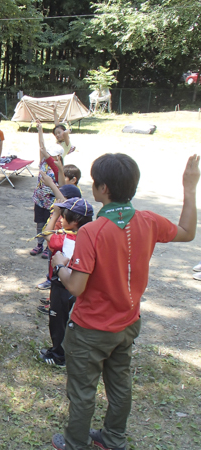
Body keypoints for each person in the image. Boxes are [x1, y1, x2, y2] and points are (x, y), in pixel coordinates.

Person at [50, 153, 200, 450]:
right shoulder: (148, 220)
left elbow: (77, 287)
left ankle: (75, 443)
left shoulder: (92, 231)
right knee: (120, 385)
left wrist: (61, 264)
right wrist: (190, 188)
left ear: (103, 189)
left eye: (95, 181)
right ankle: (113, 438)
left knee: (82, 391)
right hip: (127, 323)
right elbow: (187, 232)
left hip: (90, 328)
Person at [36, 197, 93, 367]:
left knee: (58, 320)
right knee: (70, 318)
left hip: (63, 284)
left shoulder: (66, 240)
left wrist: (53, 216)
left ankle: (59, 354)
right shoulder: (86, 237)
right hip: (76, 284)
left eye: (63, 216)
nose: (60, 218)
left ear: (75, 222)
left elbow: (47, 235)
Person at [31, 119, 63, 259]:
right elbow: (42, 146)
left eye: (52, 154)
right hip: (39, 200)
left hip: (51, 202)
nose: (47, 154)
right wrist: (40, 130)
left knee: (50, 224)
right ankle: (39, 244)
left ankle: (49, 247)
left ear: (58, 156)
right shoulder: (43, 162)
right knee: (39, 223)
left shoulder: (58, 169)